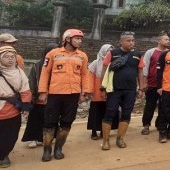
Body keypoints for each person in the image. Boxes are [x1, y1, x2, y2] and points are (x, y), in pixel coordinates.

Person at [38, 29, 90, 162]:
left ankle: (58, 148)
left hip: (73, 95)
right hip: (55, 94)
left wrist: (84, 92)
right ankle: (47, 149)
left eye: (81, 39)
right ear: (67, 39)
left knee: (67, 122)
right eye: (77, 38)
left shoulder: (82, 56)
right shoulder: (53, 54)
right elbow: (45, 73)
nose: (80, 41)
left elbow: (85, 75)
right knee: (49, 122)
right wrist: (43, 92)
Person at [100, 31, 146, 150]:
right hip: (114, 89)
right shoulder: (112, 53)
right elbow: (104, 69)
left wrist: (141, 88)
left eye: (132, 40)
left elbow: (140, 72)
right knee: (110, 112)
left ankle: (120, 138)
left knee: (126, 113)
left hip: (130, 90)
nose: (131, 42)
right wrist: (103, 88)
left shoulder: (138, 55)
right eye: (128, 40)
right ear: (121, 42)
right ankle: (105, 141)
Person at [0, 46, 32, 168]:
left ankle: (3, 155)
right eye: (6, 57)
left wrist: (25, 107)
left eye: (12, 57)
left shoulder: (19, 73)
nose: (10, 59)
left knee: (10, 136)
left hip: (12, 111)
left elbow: (25, 91)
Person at [22, 43, 58, 148]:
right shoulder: (37, 66)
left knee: (50, 118)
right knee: (35, 118)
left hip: (53, 97)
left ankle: (46, 137)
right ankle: (33, 138)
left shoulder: (59, 65)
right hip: (39, 97)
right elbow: (32, 81)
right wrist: (33, 97)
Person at [87, 44, 119, 140]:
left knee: (107, 111)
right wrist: (89, 91)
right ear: (103, 51)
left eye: (111, 51)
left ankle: (103, 131)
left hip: (110, 91)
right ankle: (93, 132)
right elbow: (89, 78)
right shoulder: (95, 63)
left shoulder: (115, 63)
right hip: (97, 92)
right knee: (95, 112)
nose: (110, 53)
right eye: (108, 51)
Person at [141, 35, 170, 135]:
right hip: (152, 84)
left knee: (164, 107)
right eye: (165, 39)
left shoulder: (169, 53)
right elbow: (145, 67)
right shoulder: (150, 52)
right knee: (150, 106)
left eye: (168, 39)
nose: (168, 41)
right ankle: (146, 125)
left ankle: (160, 124)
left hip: (165, 85)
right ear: (158, 40)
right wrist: (144, 82)